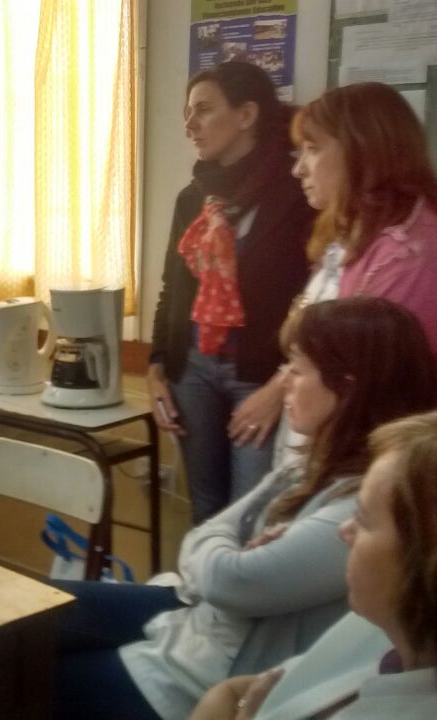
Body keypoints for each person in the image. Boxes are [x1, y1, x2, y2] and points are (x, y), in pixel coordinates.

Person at [54, 297, 437, 720]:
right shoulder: (304, 467)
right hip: (195, 634)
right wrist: (223, 553)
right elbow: (204, 542)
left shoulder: (359, 500)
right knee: (34, 611)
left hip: (198, 676)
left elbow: (229, 579)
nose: (284, 382)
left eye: (297, 368)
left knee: (26, 667)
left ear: (345, 389)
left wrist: (222, 555)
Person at [148, 61, 316, 524]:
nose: (190, 125)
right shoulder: (193, 198)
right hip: (192, 370)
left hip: (261, 375)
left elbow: (316, 299)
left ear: (246, 115)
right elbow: (172, 288)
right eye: (187, 113)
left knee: (251, 515)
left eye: (204, 110)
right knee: (205, 510)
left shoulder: (298, 193)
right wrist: (157, 366)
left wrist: (282, 383)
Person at [192, 411, 437, 720]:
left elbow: (228, 578)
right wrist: (229, 696)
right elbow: (263, 687)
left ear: (425, 564)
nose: (345, 531)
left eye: (362, 519)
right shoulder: (377, 631)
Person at [268, 81, 437, 469]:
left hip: (363, 463)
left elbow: (368, 392)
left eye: (313, 149)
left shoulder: (410, 255)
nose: (298, 169)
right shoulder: (353, 231)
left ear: (363, 151)